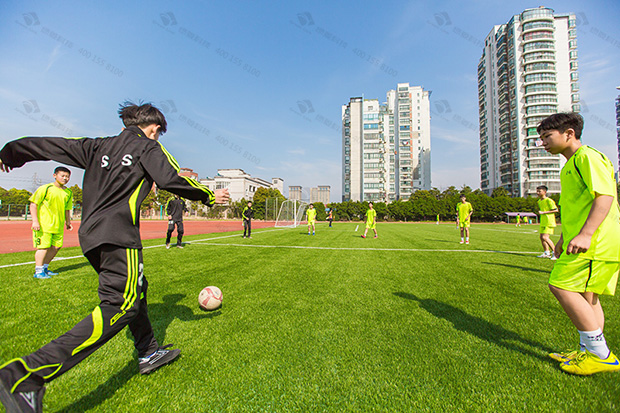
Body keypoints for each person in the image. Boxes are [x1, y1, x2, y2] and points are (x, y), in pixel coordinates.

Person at [0, 102, 230, 410]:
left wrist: (13, 151)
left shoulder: (96, 146)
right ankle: (26, 374)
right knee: (120, 305)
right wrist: (209, 194)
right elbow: (171, 178)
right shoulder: (148, 147)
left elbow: (53, 145)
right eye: (159, 133)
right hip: (120, 236)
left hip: (90, 237)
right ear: (155, 129)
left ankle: (148, 351)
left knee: (137, 289)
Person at [538, 112, 620, 375]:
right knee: (589, 297)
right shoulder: (573, 163)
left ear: (569, 134)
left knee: (559, 285)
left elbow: (604, 196)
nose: (543, 143)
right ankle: (588, 351)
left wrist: (585, 235)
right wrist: (563, 238)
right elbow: (578, 207)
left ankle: (600, 355)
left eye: (547, 137)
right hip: (589, 241)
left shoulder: (586, 157)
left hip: (595, 242)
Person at [29, 166, 74, 279]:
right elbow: (33, 204)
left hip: (58, 225)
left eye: (67, 176)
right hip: (44, 225)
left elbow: (67, 209)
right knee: (43, 247)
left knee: (56, 247)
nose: (65, 178)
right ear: (55, 175)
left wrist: (68, 222)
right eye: (62, 175)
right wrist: (35, 221)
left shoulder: (68, 192)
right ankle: (38, 271)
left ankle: (44, 268)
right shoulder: (46, 188)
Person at [536, 185, 558, 260]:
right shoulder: (539, 201)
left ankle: (555, 253)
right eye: (537, 191)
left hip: (549, 221)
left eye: (539, 191)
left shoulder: (549, 200)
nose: (537, 193)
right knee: (541, 238)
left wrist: (544, 212)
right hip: (543, 221)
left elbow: (555, 210)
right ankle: (546, 252)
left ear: (544, 192)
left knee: (545, 237)